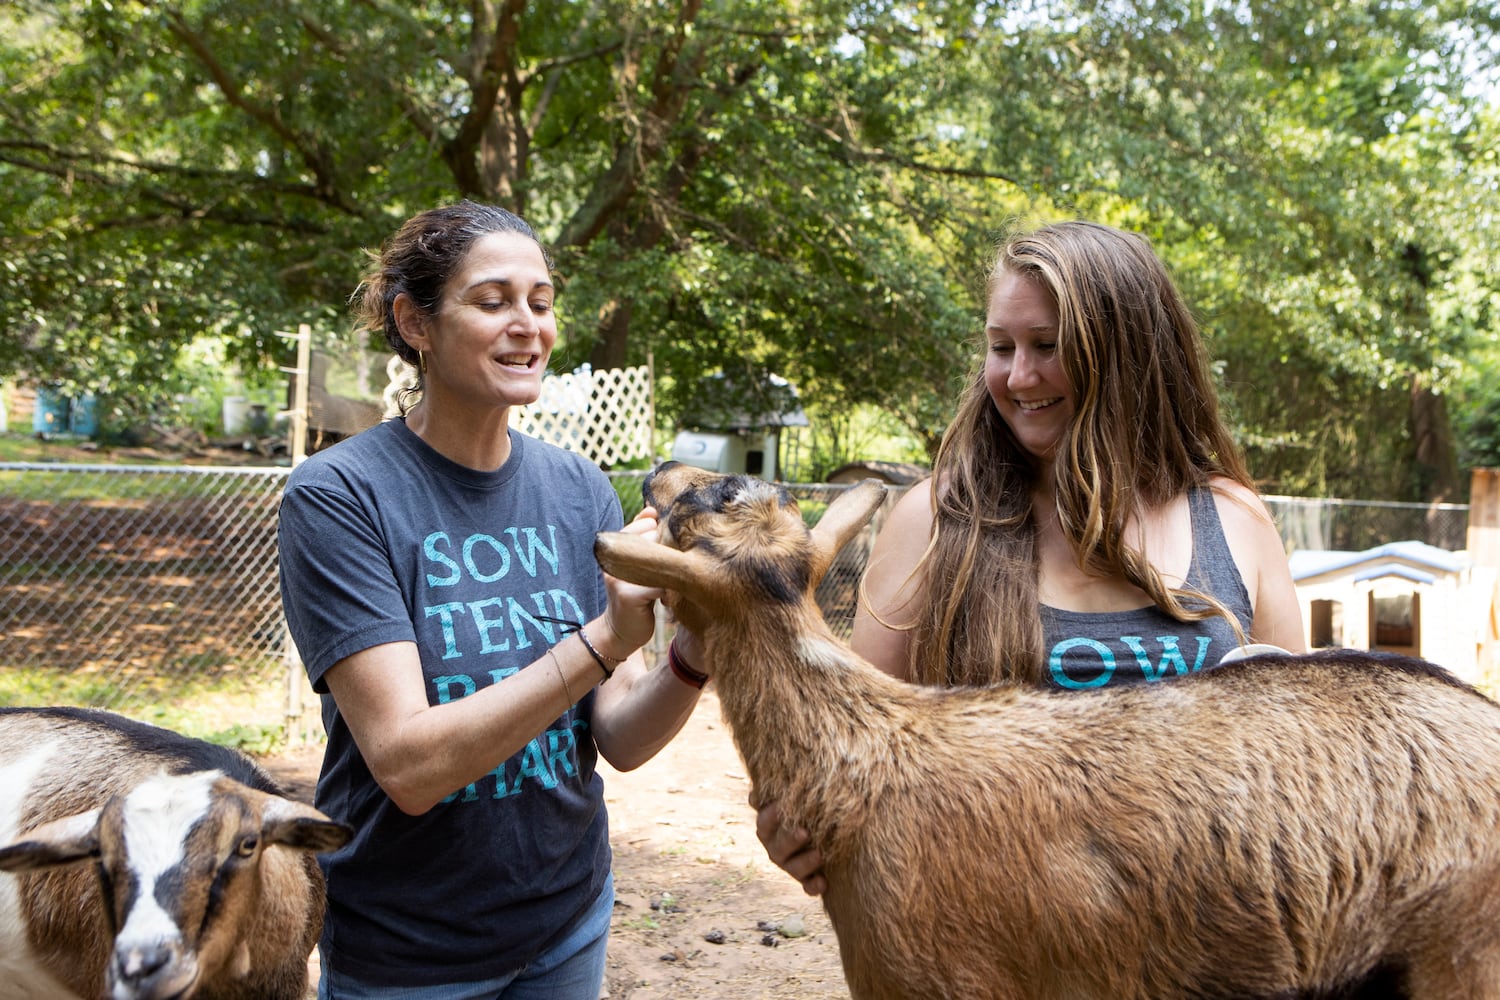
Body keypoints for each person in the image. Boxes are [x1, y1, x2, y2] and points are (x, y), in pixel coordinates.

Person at [757, 219, 1306, 895]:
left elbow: (1296, 760)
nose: (1019, 376)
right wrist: (801, 817)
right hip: (994, 941)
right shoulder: (933, 521)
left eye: (1048, 345)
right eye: (1000, 346)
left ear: (1127, 352)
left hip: (1204, 943)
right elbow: (854, 745)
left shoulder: (1235, 520)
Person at [277, 200, 710, 999]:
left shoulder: (579, 489)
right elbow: (409, 765)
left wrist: (696, 651)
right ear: (416, 323)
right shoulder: (340, 495)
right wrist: (604, 640)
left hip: (568, 918)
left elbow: (616, 735)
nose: (529, 326)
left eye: (541, 303)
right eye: (492, 301)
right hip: (411, 948)